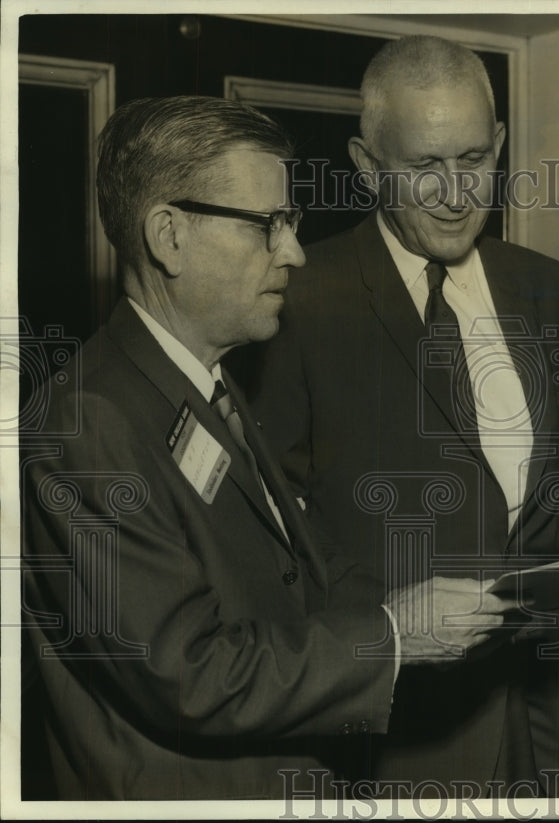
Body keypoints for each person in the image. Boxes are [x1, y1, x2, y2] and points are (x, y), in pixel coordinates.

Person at [20, 95, 514, 800]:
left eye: (293, 222)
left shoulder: (208, 381)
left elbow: (305, 571)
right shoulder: (90, 421)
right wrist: (395, 634)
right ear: (168, 235)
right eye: (269, 225)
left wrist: (436, 605)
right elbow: (188, 674)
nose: (296, 252)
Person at [250, 36, 559, 792]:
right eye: (425, 167)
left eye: (473, 160)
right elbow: (270, 541)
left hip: (534, 717)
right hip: (389, 733)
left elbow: (540, 497)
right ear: (368, 166)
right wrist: (390, 633)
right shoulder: (299, 299)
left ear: (500, 145)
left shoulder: (549, 289)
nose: (456, 192)